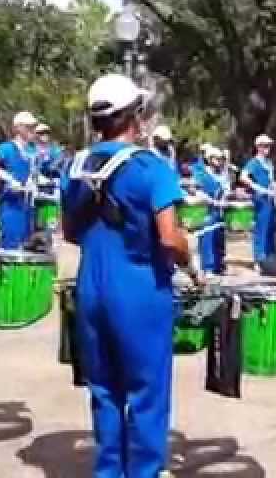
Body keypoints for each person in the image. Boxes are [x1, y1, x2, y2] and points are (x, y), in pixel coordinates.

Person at [62, 73, 196, 478]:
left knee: (104, 389)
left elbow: (70, 232)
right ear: (135, 116)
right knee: (146, 391)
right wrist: (190, 258)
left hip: (91, 286)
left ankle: (109, 471)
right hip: (140, 288)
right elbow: (169, 238)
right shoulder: (151, 167)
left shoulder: (76, 166)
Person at [0, 110, 40, 250]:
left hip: (29, 206)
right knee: (11, 246)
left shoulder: (33, 149)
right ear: (18, 128)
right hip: (12, 206)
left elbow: (34, 172)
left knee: (28, 247)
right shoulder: (7, 148)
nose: (32, 130)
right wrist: (9, 178)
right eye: (28, 127)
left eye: (33, 126)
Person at [241, 134, 276, 266]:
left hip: (270, 198)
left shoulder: (269, 162)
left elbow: (271, 180)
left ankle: (271, 257)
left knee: (270, 229)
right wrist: (256, 187)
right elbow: (243, 177)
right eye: (265, 145)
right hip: (260, 199)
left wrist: (275, 186)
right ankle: (259, 260)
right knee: (261, 229)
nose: (268, 148)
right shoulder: (254, 162)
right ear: (258, 147)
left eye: (269, 145)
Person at [194, 147, 230, 274]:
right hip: (206, 210)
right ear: (209, 159)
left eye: (220, 159)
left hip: (219, 211)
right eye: (216, 159)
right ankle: (208, 267)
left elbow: (226, 190)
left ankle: (219, 265)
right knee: (207, 238)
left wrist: (224, 198)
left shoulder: (222, 175)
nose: (219, 161)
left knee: (219, 238)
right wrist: (213, 201)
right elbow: (198, 192)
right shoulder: (202, 174)